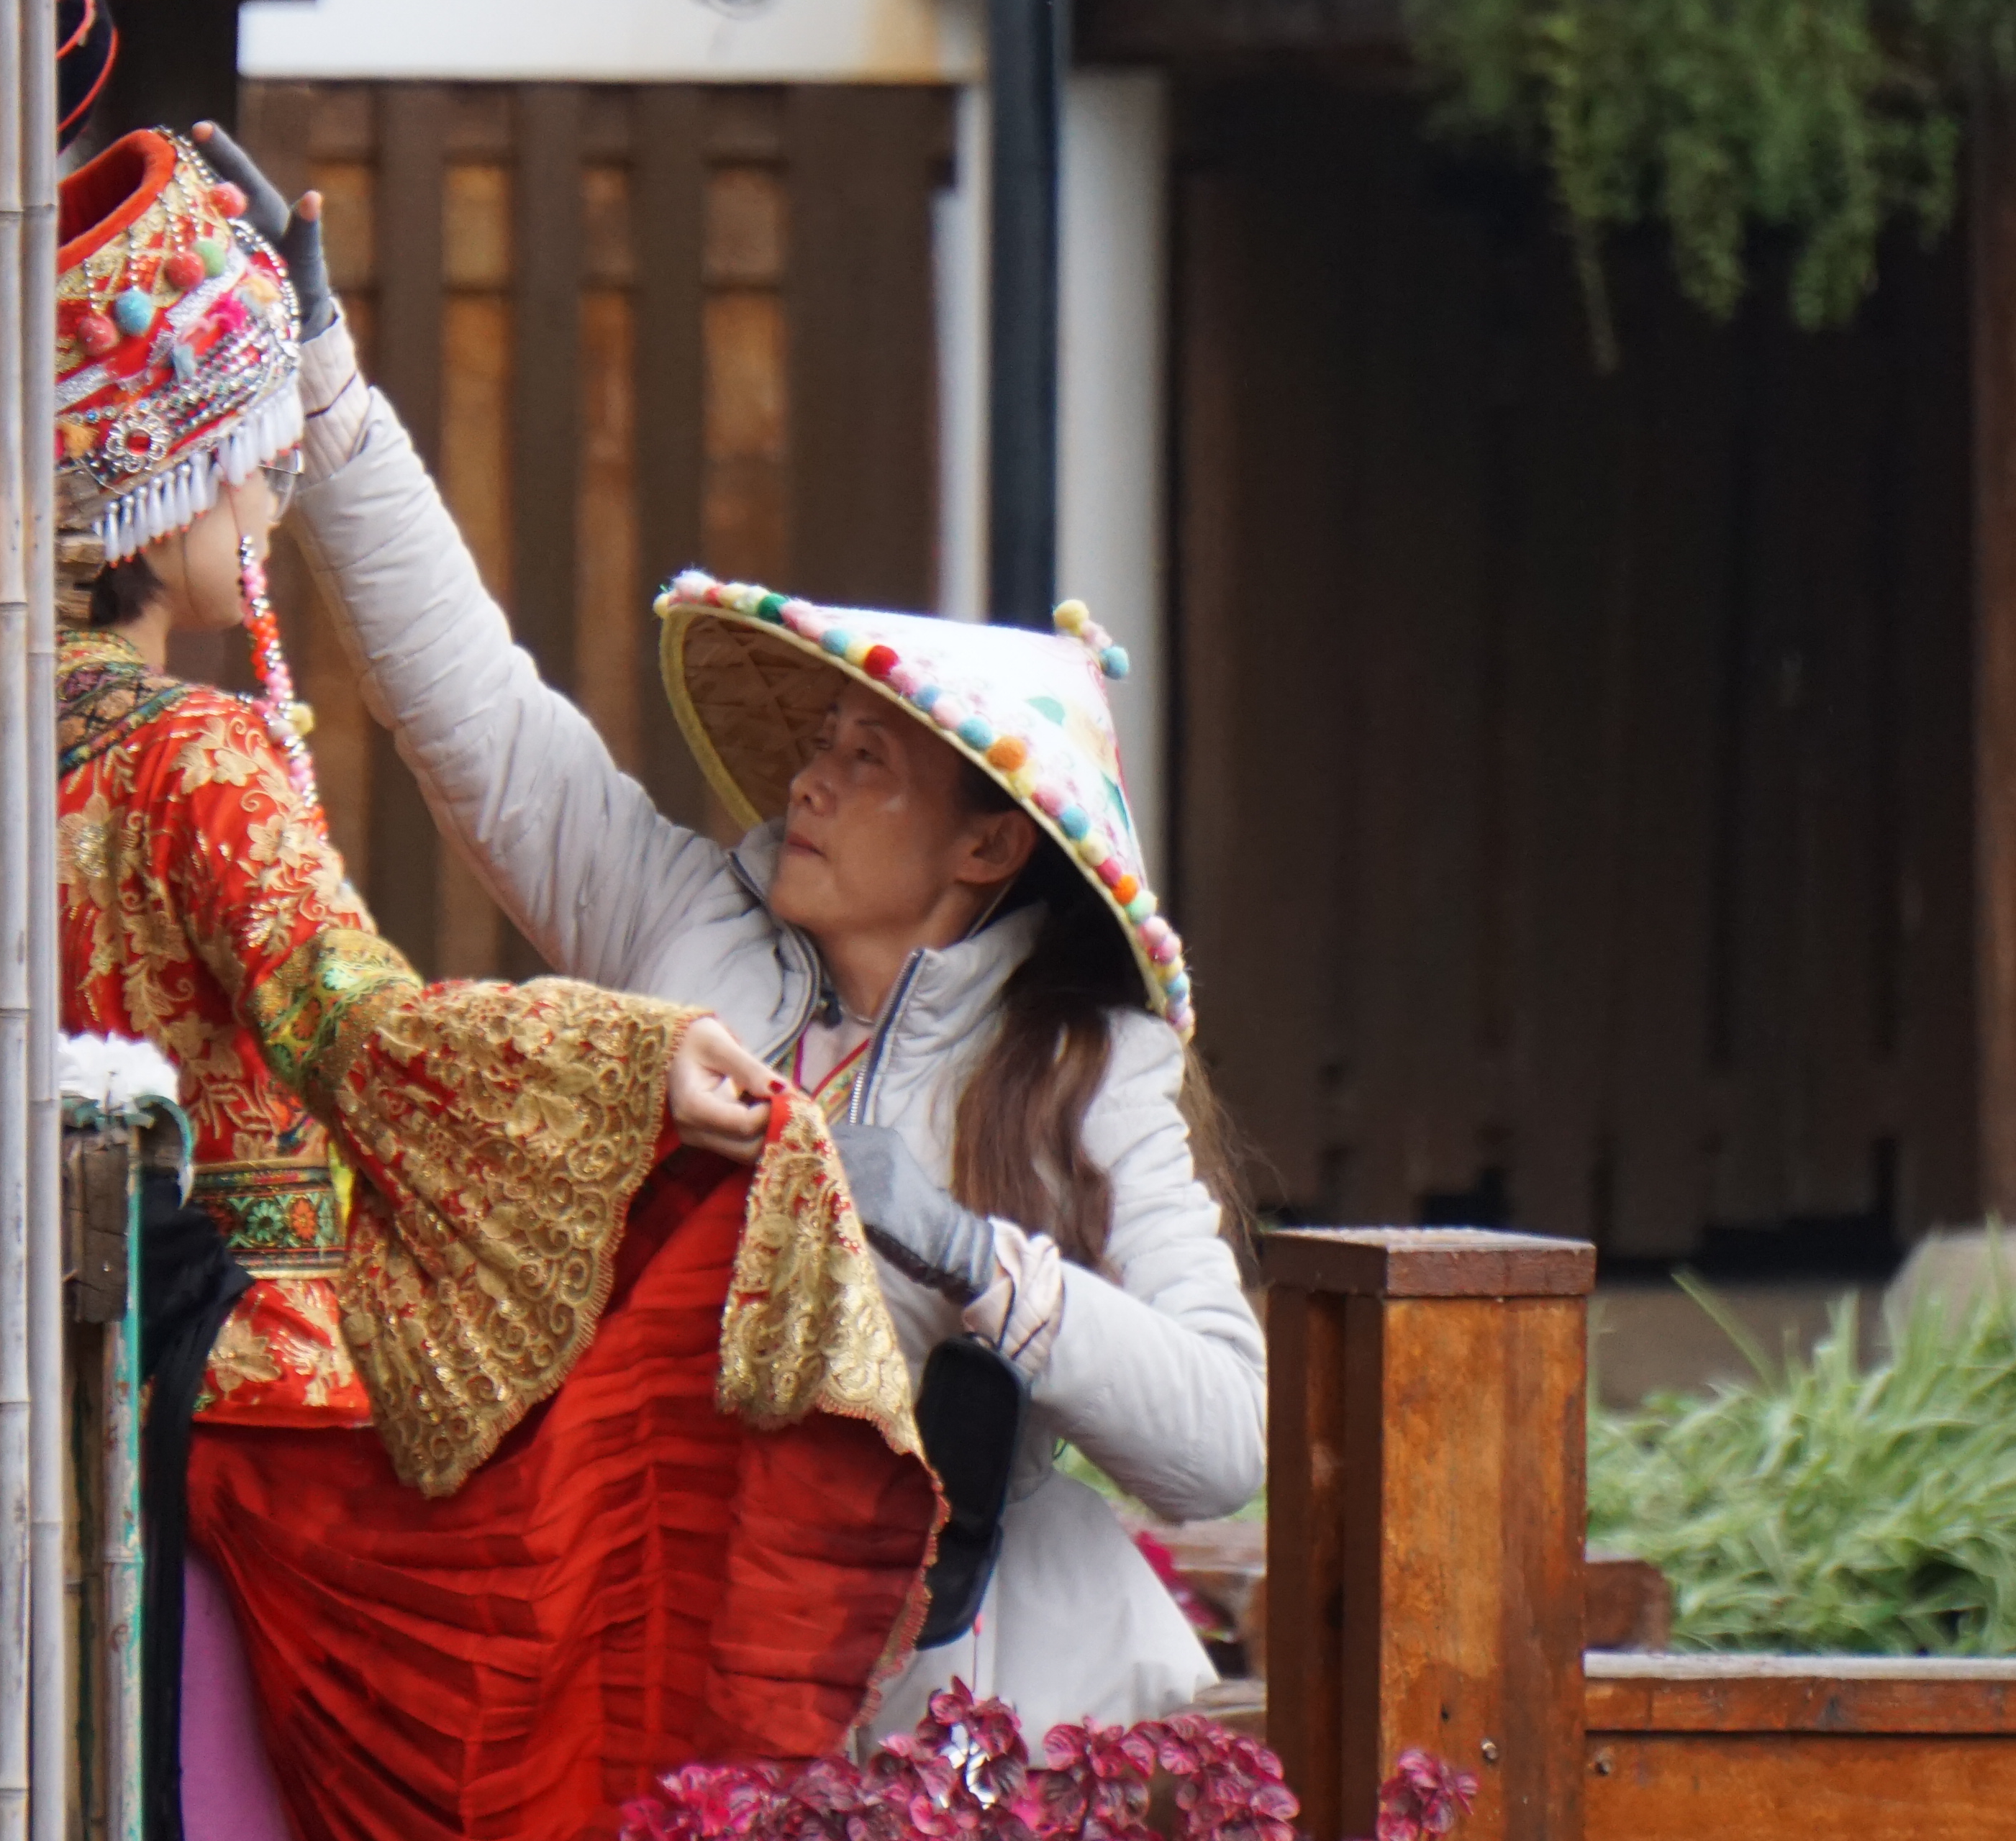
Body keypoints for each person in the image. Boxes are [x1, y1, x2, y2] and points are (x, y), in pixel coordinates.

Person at [50, 110, 942, 1841]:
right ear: (166, 469)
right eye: (254, 449)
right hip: (254, 1409)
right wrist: (645, 1080)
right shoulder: (191, 753)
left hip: (54, 1375)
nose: (268, 490)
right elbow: (366, 1035)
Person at [226, 119, 1262, 1735]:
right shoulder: (683, 917)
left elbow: (1219, 1445)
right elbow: (483, 722)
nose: (813, 777)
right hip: (656, 1648)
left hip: (960, 1711)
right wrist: (326, 393)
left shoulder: (1085, 1062)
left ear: (990, 843)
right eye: (818, 745)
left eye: (866, 759)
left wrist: (959, 1246)